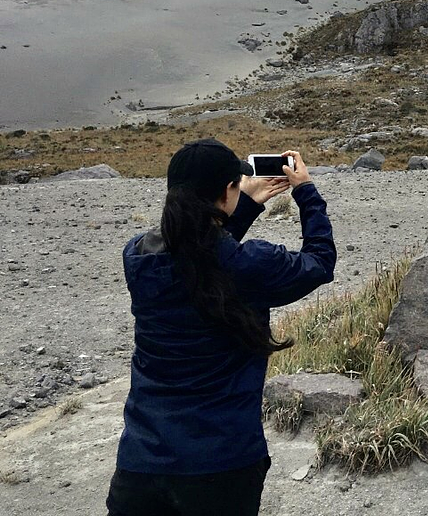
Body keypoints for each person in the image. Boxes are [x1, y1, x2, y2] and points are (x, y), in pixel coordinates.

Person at [106, 139, 335, 516]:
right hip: (221, 464)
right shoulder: (249, 266)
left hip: (141, 464)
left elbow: (202, 257)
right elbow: (320, 261)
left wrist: (241, 205)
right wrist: (306, 192)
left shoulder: (138, 257)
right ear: (227, 190)